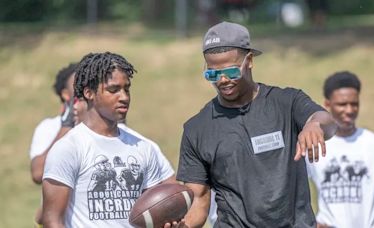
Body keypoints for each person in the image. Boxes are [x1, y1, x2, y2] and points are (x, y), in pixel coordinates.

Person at [175, 21, 337, 227]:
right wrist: (183, 225)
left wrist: (314, 125)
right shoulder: (196, 129)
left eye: (231, 72)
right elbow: (198, 200)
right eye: (212, 74)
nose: (223, 80)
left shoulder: (286, 103)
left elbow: (329, 122)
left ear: (249, 60)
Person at [42, 52, 174, 227]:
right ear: (88, 93)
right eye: (113, 90)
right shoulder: (68, 148)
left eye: (126, 89)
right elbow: (52, 220)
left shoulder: (143, 147)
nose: (124, 97)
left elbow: (154, 211)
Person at [306, 71, 374, 228]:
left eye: (354, 104)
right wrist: (309, 222)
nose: (349, 110)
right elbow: (288, 188)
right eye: (342, 104)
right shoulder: (315, 145)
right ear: (327, 105)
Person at [28, 63, 77, 227]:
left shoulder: (104, 128)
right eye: (79, 86)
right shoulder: (49, 127)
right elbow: (38, 173)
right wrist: (67, 125)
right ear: (65, 94)